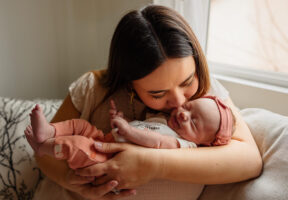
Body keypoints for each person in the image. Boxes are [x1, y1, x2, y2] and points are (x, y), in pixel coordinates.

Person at [33, 5, 262, 200]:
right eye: (158, 93)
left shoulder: (207, 97)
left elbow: (249, 159)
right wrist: (72, 181)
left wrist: (152, 164)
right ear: (129, 83)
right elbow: (42, 152)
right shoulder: (93, 88)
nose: (179, 102)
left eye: (187, 81)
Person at [25, 95, 234, 170]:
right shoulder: (161, 120)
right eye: (188, 107)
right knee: (80, 126)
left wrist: (126, 130)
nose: (183, 115)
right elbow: (140, 127)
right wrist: (121, 121)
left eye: (194, 123)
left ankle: (42, 147)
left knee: (76, 146)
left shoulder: (184, 145)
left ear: (204, 143)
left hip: (104, 158)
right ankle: (48, 131)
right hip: (104, 139)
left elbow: (155, 141)